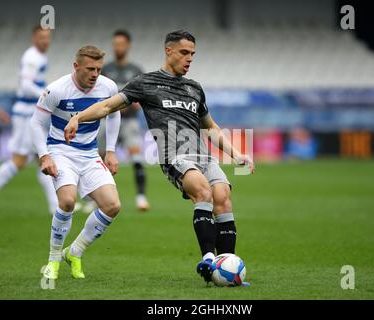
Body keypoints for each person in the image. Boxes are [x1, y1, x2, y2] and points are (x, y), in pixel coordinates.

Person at [64, 30, 254, 284]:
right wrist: (78, 117)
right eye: (184, 53)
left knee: (223, 198)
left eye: (192, 55)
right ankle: (208, 258)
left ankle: (227, 267)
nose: (189, 59)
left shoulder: (194, 88)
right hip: (174, 154)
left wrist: (236, 153)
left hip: (203, 155)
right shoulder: (146, 83)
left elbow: (210, 126)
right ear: (169, 51)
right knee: (203, 192)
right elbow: (108, 105)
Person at [30, 45, 122, 280]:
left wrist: (110, 151)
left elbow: (114, 114)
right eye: (90, 69)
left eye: (99, 69)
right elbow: (37, 123)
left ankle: (75, 252)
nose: (95, 74)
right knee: (68, 201)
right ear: (76, 66)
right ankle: (53, 259)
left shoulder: (108, 86)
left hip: (90, 154)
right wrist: (44, 155)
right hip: (61, 151)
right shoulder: (57, 90)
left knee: (112, 205)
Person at [0, 26, 58, 214]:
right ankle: (56, 206)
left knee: (44, 158)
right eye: (41, 37)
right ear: (34, 38)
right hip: (25, 114)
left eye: (47, 37)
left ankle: (56, 206)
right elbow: (25, 84)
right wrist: (45, 94)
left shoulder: (39, 56)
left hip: (31, 114)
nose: (45, 41)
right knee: (19, 160)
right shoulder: (32, 57)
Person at [102, 30, 150, 211]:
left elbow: (142, 98)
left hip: (129, 121)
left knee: (137, 158)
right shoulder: (106, 70)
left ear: (128, 46)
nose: (117, 47)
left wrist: (125, 105)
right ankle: (94, 200)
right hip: (106, 122)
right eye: (115, 44)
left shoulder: (136, 71)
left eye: (121, 44)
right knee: (98, 159)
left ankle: (141, 197)